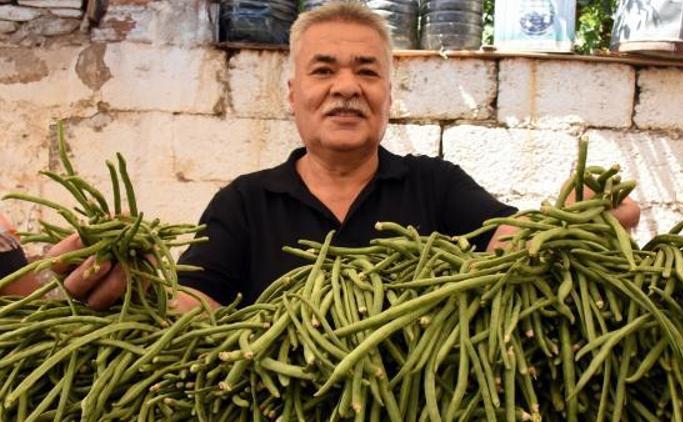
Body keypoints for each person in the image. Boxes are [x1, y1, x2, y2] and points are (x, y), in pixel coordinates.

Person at [0, 1, 640, 311]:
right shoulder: (245, 201)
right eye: (323, 69)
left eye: (367, 71)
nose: (345, 87)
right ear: (293, 93)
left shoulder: (436, 185)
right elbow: (198, 301)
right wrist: (134, 292)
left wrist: (565, 221)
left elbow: (505, 239)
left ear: (388, 94)